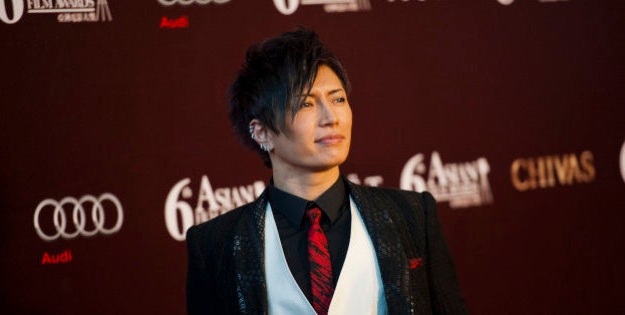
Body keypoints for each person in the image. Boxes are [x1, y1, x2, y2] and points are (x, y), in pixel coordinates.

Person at [186, 27, 467, 315]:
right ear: (262, 133)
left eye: (338, 99)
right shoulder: (215, 244)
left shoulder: (411, 216)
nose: (331, 117)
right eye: (306, 103)